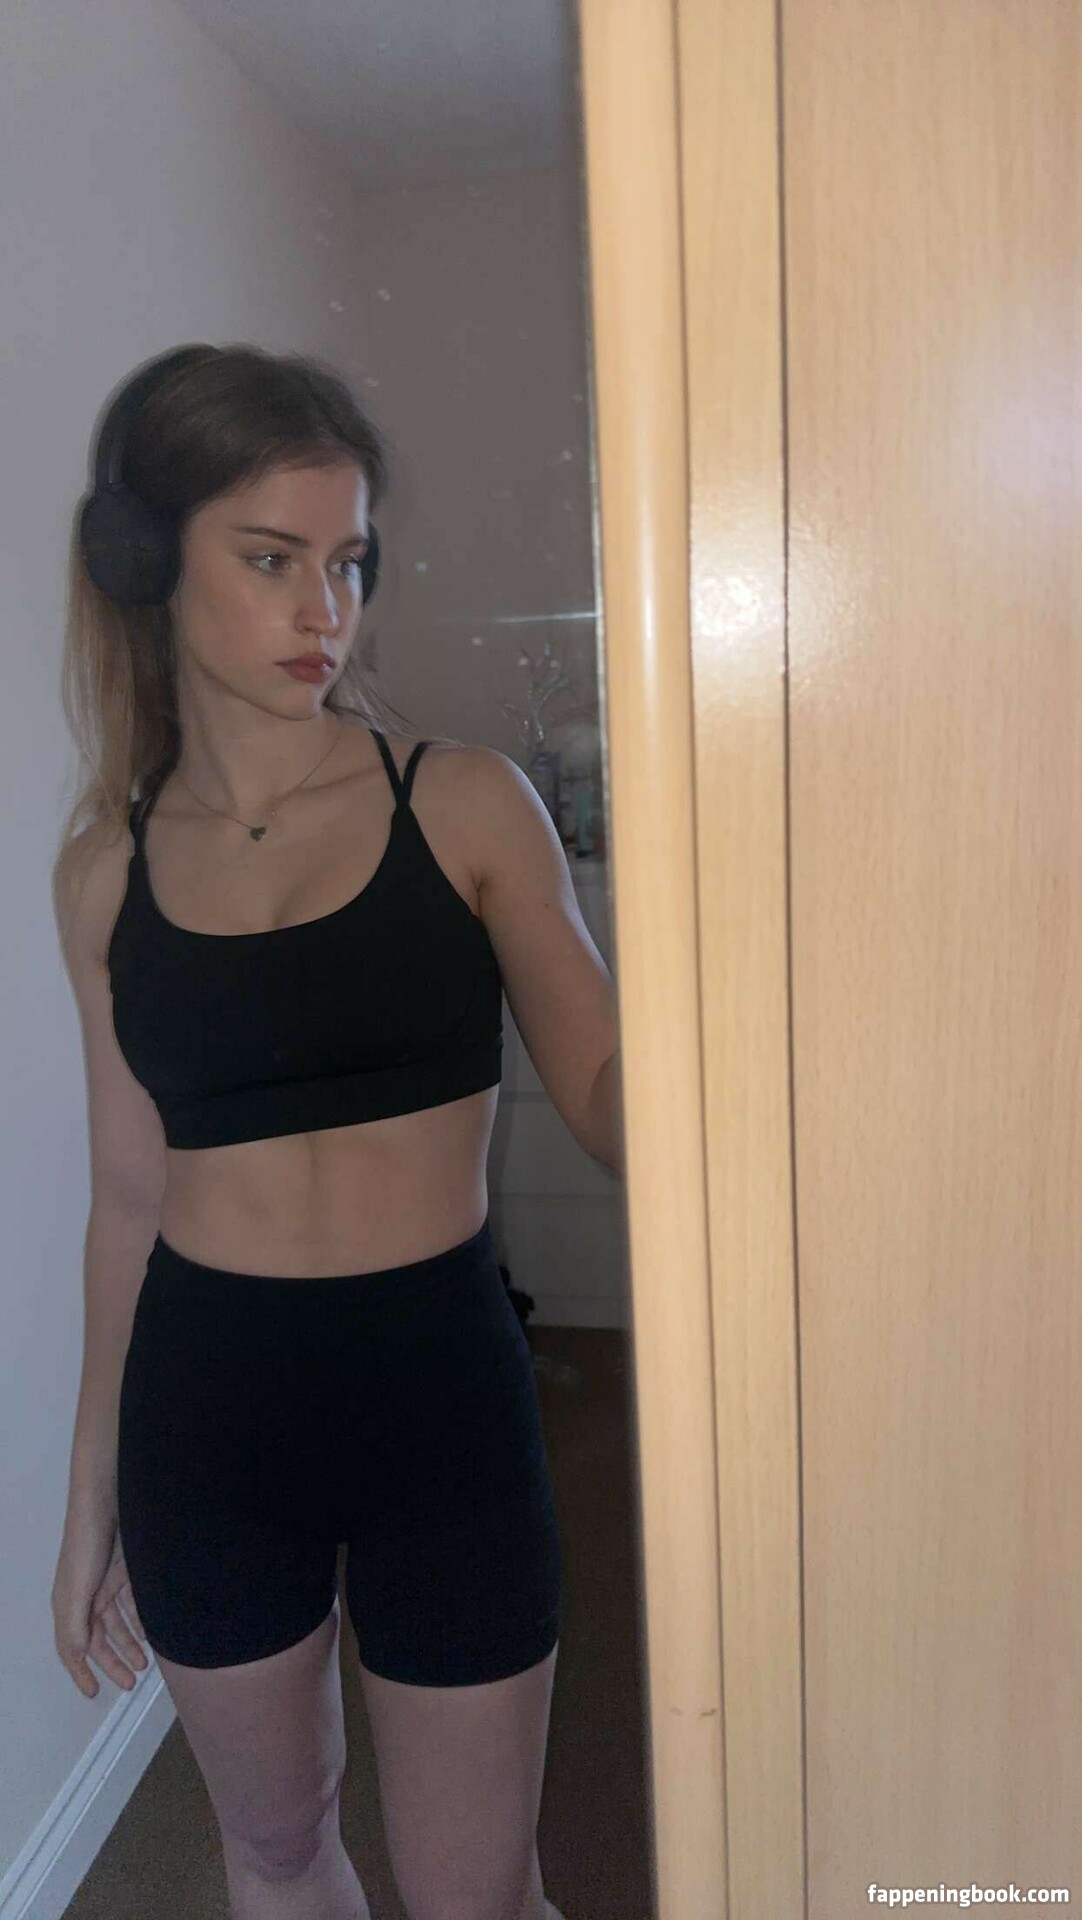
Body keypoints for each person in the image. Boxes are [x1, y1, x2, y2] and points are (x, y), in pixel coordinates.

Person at [50, 342, 619, 1920]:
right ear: (150, 563)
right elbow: (126, 1201)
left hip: (440, 1397)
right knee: (276, 1849)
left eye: (348, 561)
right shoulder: (102, 874)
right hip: (206, 1415)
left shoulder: (463, 803)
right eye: (271, 560)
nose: (326, 608)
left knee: (475, 1893)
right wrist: (88, 1503)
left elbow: (606, 1101)